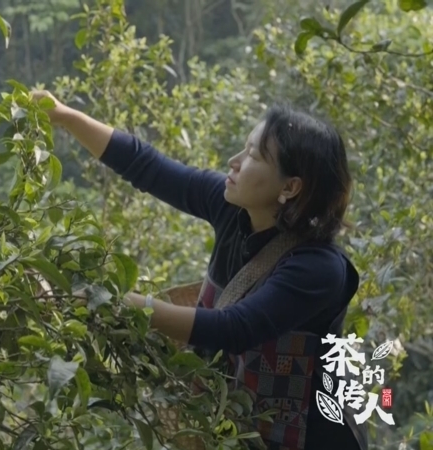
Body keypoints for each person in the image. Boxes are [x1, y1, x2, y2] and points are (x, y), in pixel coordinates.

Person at [32, 90, 367, 450]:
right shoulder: (231, 208)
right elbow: (146, 166)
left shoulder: (318, 268)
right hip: (237, 432)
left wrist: (116, 302)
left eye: (253, 155)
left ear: (290, 186)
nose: (234, 162)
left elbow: (233, 329)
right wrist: (66, 116)